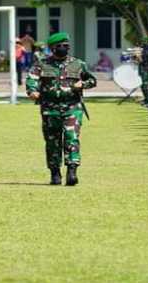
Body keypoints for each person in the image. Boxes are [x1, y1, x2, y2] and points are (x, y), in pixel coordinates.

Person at [26, 32, 97, 186]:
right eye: (60, 46)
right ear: (52, 48)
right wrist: (32, 91)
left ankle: (72, 171)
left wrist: (83, 84)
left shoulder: (78, 64)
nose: (64, 48)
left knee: (72, 137)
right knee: (53, 142)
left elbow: (92, 80)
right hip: (50, 109)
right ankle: (55, 173)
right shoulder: (42, 64)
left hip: (72, 107)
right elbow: (31, 79)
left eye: (66, 46)